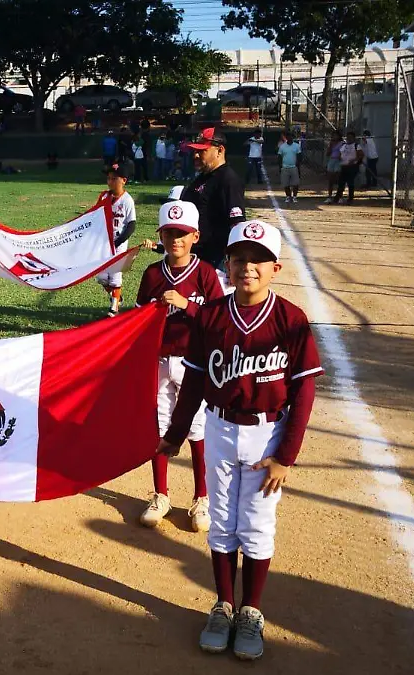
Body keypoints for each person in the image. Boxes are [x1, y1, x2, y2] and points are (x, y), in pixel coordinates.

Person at [159, 219, 322, 661]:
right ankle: (224, 605)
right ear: (226, 266)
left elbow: (303, 392)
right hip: (219, 428)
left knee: (257, 524)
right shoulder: (211, 316)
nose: (247, 268)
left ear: (275, 268)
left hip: (268, 434)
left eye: (258, 261)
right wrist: (175, 435)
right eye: (239, 260)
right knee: (222, 522)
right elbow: (193, 383)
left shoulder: (291, 319)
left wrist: (285, 456)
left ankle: (251, 610)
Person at [134, 199, 226, 531]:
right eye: (170, 232)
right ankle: (161, 495)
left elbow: (219, 322)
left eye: (183, 233)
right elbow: (136, 321)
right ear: (161, 235)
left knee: (196, 429)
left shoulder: (205, 274)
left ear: (195, 237)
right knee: (161, 428)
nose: (176, 239)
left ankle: (201, 498)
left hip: (193, 364)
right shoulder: (153, 274)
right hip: (160, 361)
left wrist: (187, 305)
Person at [180, 128, 247, 268]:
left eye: (202, 151)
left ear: (220, 150)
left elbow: (237, 224)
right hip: (196, 256)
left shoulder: (228, 180)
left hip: (215, 260)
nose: (196, 156)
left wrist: (232, 260)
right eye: (195, 151)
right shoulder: (203, 178)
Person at [98, 163, 137, 317]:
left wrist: (119, 242)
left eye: (114, 179)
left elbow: (131, 225)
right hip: (103, 243)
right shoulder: (104, 196)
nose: (110, 182)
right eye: (108, 178)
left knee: (115, 275)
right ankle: (117, 296)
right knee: (101, 277)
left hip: (118, 244)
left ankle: (114, 307)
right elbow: (95, 216)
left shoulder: (127, 200)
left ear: (124, 180)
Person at [333, 130, 364, 204]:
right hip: (344, 166)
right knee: (341, 182)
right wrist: (340, 158)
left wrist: (354, 160)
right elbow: (340, 154)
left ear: (354, 138)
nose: (349, 139)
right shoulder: (344, 146)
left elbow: (361, 155)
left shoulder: (356, 146)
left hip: (352, 167)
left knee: (350, 182)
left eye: (350, 137)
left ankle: (350, 198)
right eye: (348, 137)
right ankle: (337, 197)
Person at [276, 131, 301, 203]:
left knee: (295, 183)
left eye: (291, 136)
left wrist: (297, 166)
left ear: (293, 137)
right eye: (288, 136)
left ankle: (295, 196)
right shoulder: (282, 146)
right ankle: (288, 196)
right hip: (285, 167)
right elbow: (279, 157)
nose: (290, 138)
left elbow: (299, 156)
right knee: (286, 183)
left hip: (294, 167)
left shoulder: (296, 146)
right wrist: (280, 166)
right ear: (286, 137)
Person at [323, 130, 343, 203]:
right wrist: (330, 146)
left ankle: (340, 197)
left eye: (336, 135)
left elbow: (343, 153)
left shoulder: (342, 143)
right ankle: (329, 197)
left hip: (338, 161)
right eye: (333, 135)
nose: (334, 137)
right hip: (332, 160)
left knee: (338, 180)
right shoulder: (331, 143)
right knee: (330, 180)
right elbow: (327, 154)